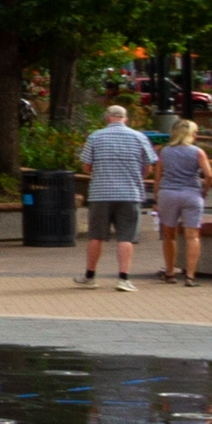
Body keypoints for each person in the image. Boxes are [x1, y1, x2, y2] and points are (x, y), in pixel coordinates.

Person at [77, 102, 155, 293]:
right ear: (125, 119)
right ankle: (123, 279)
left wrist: (101, 171)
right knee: (126, 236)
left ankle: (90, 276)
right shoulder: (139, 137)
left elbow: (86, 166)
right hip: (130, 193)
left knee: (96, 236)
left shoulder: (95, 137)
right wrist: (137, 176)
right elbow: (149, 165)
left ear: (107, 118)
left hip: (101, 194)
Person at [157, 116, 212, 286]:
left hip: (168, 194)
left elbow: (158, 176)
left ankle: (170, 273)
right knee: (192, 235)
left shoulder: (164, 152)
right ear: (189, 134)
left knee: (169, 235)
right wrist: (204, 191)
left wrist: (157, 196)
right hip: (191, 193)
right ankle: (190, 276)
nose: (196, 136)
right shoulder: (197, 152)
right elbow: (209, 175)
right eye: (195, 133)